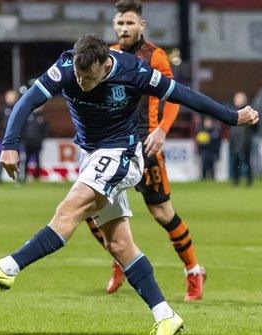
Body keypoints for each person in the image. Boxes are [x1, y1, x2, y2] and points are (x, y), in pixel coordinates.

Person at [0, 34, 258, 335]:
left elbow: (183, 95)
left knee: (69, 209)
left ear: (105, 64)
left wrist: (233, 117)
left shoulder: (134, 72)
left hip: (121, 155)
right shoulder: (66, 67)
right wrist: (9, 145)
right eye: (79, 76)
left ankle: (9, 267)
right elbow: (27, 101)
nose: (83, 84)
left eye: (90, 77)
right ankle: (166, 315)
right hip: (91, 156)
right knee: (120, 245)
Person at [84, 0, 207, 301]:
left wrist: (163, 129)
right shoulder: (107, 55)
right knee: (89, 209)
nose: (124, 28)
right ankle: (119, 257)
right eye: (120, 23)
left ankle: (193, 270)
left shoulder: (155, 56)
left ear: (142, 25)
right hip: (113, 144)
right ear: (114, 25)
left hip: (146, 144)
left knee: (162, 212)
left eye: (130, 23)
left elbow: (174, 96)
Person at [229, 91, 256, 187]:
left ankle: (249, 181)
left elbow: (256, 127)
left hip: (246, 141)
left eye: (238, 98)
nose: (236, 100)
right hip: (235, 141)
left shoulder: (249, 112)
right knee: (236, 162)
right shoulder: (232, 111)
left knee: (247, 162)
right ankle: (236, 181)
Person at [0, 90, 18, 183]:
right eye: (9, 96)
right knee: (2, 157)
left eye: (12, 96)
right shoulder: (3, 110)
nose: (10, 98)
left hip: (16, 139)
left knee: (16, 158)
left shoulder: (18, 109)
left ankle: (18, 179)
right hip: (4, 139)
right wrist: (0, 134)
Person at [21, 106, 50, 182]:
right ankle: (25, 175)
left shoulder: (42, 118)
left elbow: (46, 130)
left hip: (37, 142)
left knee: (37, 159)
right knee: (26, 159)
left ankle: (37, 176)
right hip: (28, 142)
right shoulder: (28, 117)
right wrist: (24, 138)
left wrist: (40, 138)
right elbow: (23, 128)